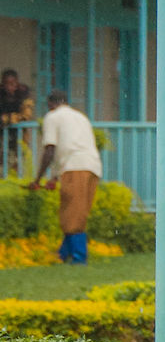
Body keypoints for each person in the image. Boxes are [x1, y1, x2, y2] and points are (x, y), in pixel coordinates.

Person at [30, 88, 102, 263]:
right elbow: (68, 146)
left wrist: (38, 179)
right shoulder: (80, 117)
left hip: (74, 166)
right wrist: (54, 177)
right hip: (93, 167)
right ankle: (63, 255)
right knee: (78, 212)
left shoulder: (52, 117)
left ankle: (79, 258)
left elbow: (50, 149)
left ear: (50, 104)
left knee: (71, 213)